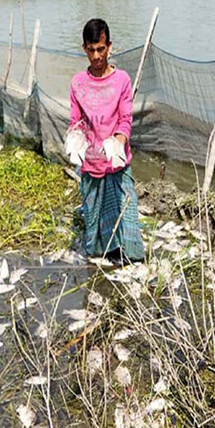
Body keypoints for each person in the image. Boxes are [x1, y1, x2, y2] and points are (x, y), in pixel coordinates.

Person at [69, 18, 144, 263]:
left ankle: (129, 260)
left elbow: (125, 118)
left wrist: (119, 141)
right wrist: (75, 140)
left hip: (117, 162)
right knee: (94, 234)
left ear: (109, 46)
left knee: (127, 222)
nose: (96, 56)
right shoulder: (78, 83)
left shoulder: (121, 80)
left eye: (101, 49)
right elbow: (75, 121)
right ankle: (99, 260)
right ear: (84, 49)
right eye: (91, 50)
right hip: (91, 164)